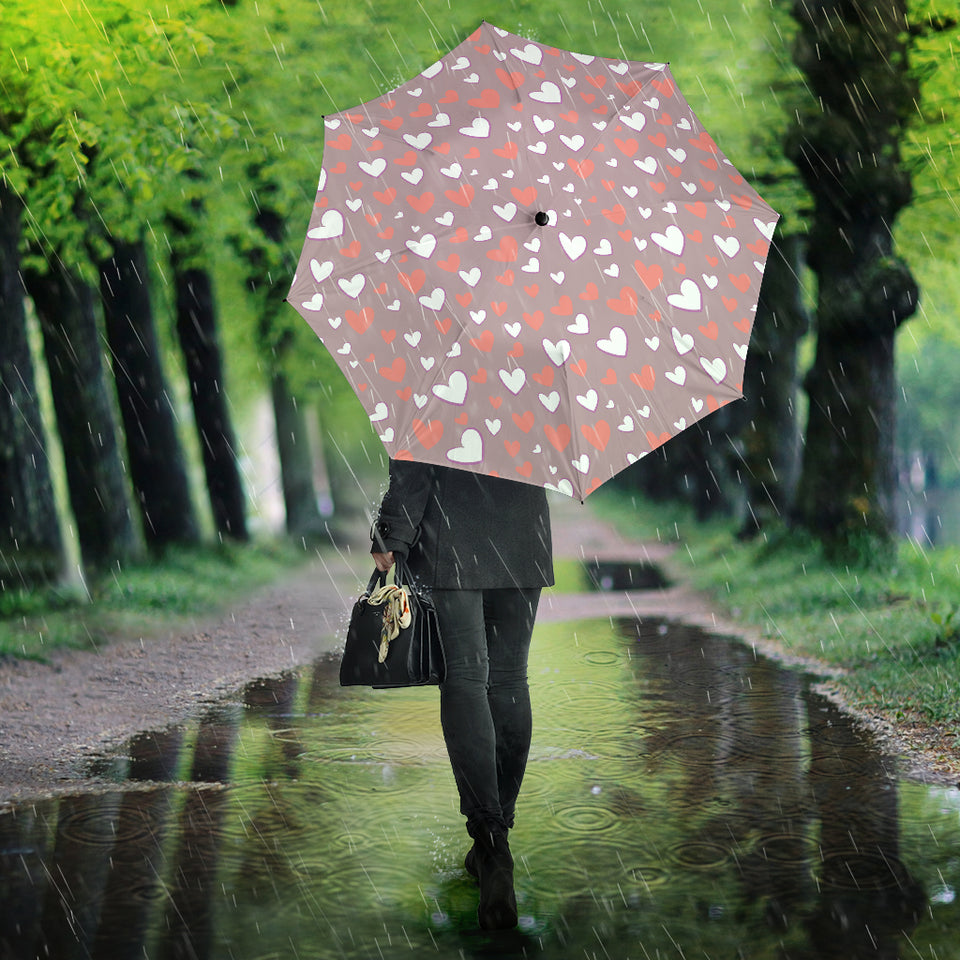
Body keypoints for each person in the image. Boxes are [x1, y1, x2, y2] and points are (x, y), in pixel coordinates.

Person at [370, 458, 553, 930]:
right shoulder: (544, 379)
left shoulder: (436, 379)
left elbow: (417, 446)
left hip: (452, 530)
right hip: (522, 526)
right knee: (510, 677)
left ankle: (490, 841)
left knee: (466, 678)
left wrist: (393, 529)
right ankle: (497, 837)